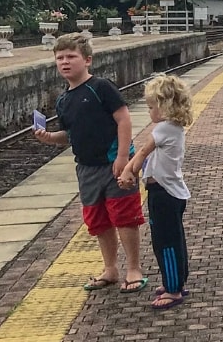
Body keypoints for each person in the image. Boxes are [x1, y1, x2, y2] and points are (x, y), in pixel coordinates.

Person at [34, 33, 147, 293]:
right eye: (59, 58)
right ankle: (110, 268)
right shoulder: (63, 100)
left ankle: (133, 268)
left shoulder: (101, 88)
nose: (65, 62)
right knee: (98, 220)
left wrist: (122, 157)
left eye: (71, 57)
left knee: (125, 216)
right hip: (86, 168)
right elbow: (70, 135)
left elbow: (124, 119)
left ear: (87, 60)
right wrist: (49, 138)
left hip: (114, 164)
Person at [118, 74, 194, 311]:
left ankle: (173, 289)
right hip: (171, 193)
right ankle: (177, 282)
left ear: (164, 107)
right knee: (175, 239)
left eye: (151, 107)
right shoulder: (174, 128)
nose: (149, 112)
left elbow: (142, 151)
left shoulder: (164, 128)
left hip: (163, 194)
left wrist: (128, 172)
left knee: (165, 242)